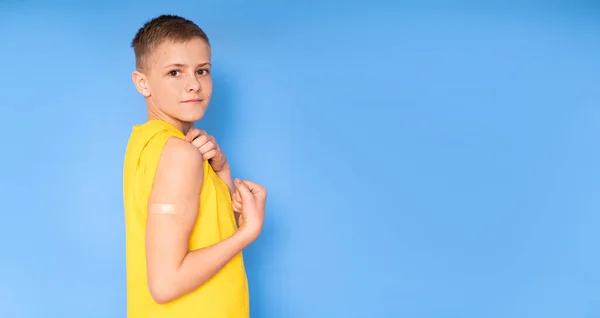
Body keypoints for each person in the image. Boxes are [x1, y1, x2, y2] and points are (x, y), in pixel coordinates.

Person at [122, 14, 266, 318]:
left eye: (202, 71)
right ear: (142, 83)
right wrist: (247, 232)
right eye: (175, 72)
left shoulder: (148, 143)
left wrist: (222, 173)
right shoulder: (179, 154)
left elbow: (201, 232)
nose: (193, 85)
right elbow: (166, 284)